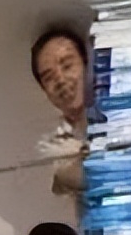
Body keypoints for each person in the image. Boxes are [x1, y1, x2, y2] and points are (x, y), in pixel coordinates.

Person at [30, 26, 93, 195]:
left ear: (86, 64)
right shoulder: (56, 151)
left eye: (67, 66)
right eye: (49, 77)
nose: (60, 80)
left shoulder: (122, 111)